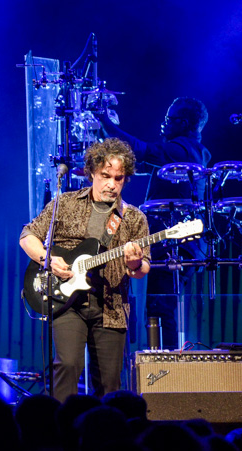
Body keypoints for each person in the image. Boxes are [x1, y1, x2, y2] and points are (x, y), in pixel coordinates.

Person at [20, 138, 150, 402]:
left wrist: (135, 263)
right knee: (67, 365)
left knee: (110, 381)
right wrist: (48, 259)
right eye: (105, 176)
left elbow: (142, 267)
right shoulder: (65, 203)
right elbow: (27, 236)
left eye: (119, 178)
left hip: (111, 307)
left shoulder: (134, 217)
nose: (112, 184)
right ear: (91, 171)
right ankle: (60, 431)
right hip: (66, 300)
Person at [100, 97, 210, 349]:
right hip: (173, 244)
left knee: (161, 307)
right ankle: (161, 365)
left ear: (182, 123)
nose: (163, 124)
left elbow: (139, 149)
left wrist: (104, 121)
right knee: (158, 306)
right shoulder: (186, 151)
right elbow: (141, 162)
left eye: (168, 119)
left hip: (174, 246)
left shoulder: (182, 149)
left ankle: (167, 369)